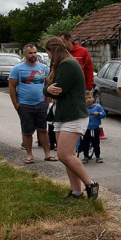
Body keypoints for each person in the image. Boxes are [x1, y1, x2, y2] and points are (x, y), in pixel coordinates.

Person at [42, 37, 99, 200]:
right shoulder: (63, 64)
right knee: (68, 156)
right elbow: (49, 88)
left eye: (48, 53)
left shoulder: (68, 64)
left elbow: (57, 89)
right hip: (63, 114)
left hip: (74, 115)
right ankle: (76, 191)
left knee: (64, 154)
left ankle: (90, 183)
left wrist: (46, 90)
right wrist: (47, 89)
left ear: (52, 50)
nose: (49, 57)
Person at [9, 43, 55, 164]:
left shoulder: (43, 67)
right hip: (24, 105)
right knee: (27, 131)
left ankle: (48, 154)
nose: (33, 55)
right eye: (30, 53)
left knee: (43, 129)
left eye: (35, 52)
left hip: (41, 103)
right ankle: (29, 155)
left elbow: (48, 84)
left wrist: (48, 98)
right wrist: (16, 104)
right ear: (25, 54)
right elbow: (12, 87)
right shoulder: (17, 69)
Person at [81, 90, 105, 163]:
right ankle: (85, 156)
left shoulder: (98, 107)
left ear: (93, 98)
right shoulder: (83, 108)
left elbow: (103, 114)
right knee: (85, 142)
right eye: (85, 98)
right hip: (86, 128)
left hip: (95, 128)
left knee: (96, 143)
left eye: (89, 97)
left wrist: (98, 114)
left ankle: (98, 156)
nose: (88, 99)